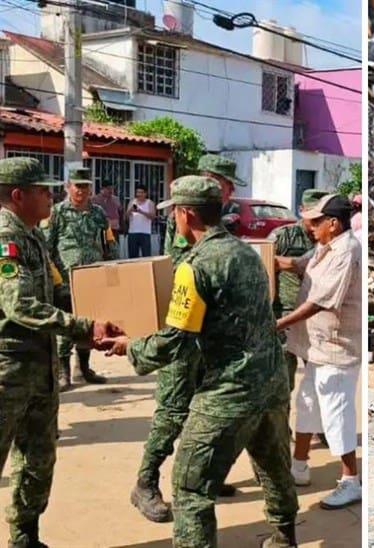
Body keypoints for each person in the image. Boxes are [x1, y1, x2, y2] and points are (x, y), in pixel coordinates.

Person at [101, 175, 298, 548]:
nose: (174, 217)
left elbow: (177, 337)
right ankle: (284, 536)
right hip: (271, 382)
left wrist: (130, 347)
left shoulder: (197, 265)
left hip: (230, 389)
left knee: (190, 487)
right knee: (274, 465)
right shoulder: (247, 253)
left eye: (175, 210)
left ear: (186, 214)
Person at [0, 157, 122, 548]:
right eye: (41, 190)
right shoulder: (6, 239)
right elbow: (20, 305)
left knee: (37, 460)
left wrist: (103, 312)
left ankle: (24, 537)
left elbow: (55, 294)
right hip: (8, 369)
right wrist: (85, 327)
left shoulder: (33, 234)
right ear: (18, 196)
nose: (50, 196)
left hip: (39, 368)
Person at [133, 154, 246, 524]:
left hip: (211, 336)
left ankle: (201, 477)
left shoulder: (220, 224)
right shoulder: (185, 223)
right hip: (183, 331)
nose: (229, 194)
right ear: (210, 182)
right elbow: (188, 272)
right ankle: (145, 483)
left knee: (206, 409)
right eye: (226, 186)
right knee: (172, 411)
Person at [276, 194, 362, 510]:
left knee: (337, 413)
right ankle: (299, 467)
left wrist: (277, 324)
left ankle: (351, 481)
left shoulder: (347, 250)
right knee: (308, 403)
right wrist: (272, 260)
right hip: (318, 348)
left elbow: (320, 301)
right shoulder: (327, 247)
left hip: (337, 348)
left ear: (333, 224)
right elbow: (301, 265)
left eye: (315, 222)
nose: (309, 227)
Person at [43, 167, 118, 391]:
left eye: (85, 186)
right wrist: (55, 278)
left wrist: (113, 269)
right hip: (65, 279)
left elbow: (109, 242)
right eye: (77, 186)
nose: (81, 191)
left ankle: (83, 368)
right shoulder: (56, 213)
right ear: (68, 187)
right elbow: (46, 246)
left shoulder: (98, 213)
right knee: (66, 324)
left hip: (93, 278)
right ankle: (63, 373)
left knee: (89, 323)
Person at [270, 189, 327, 388]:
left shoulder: (329, 239)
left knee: (322, 382)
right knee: (283, 383)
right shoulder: (284, 236)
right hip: (286, 316)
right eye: (311, 214)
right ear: (301, 210)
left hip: (317, 318)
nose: (315, 220)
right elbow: (265, 269)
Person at [126, 186, 155, 258]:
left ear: (145, 193)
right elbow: (126, 217)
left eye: (141, 192)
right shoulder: (132, 202)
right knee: (132, 256)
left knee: (146, 256)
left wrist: (141, 211)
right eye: (138, 192)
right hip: (133, 233)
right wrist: (130, 210)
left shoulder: (150, 203)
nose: (139, 194)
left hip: (145, 233)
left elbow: (152, 216)